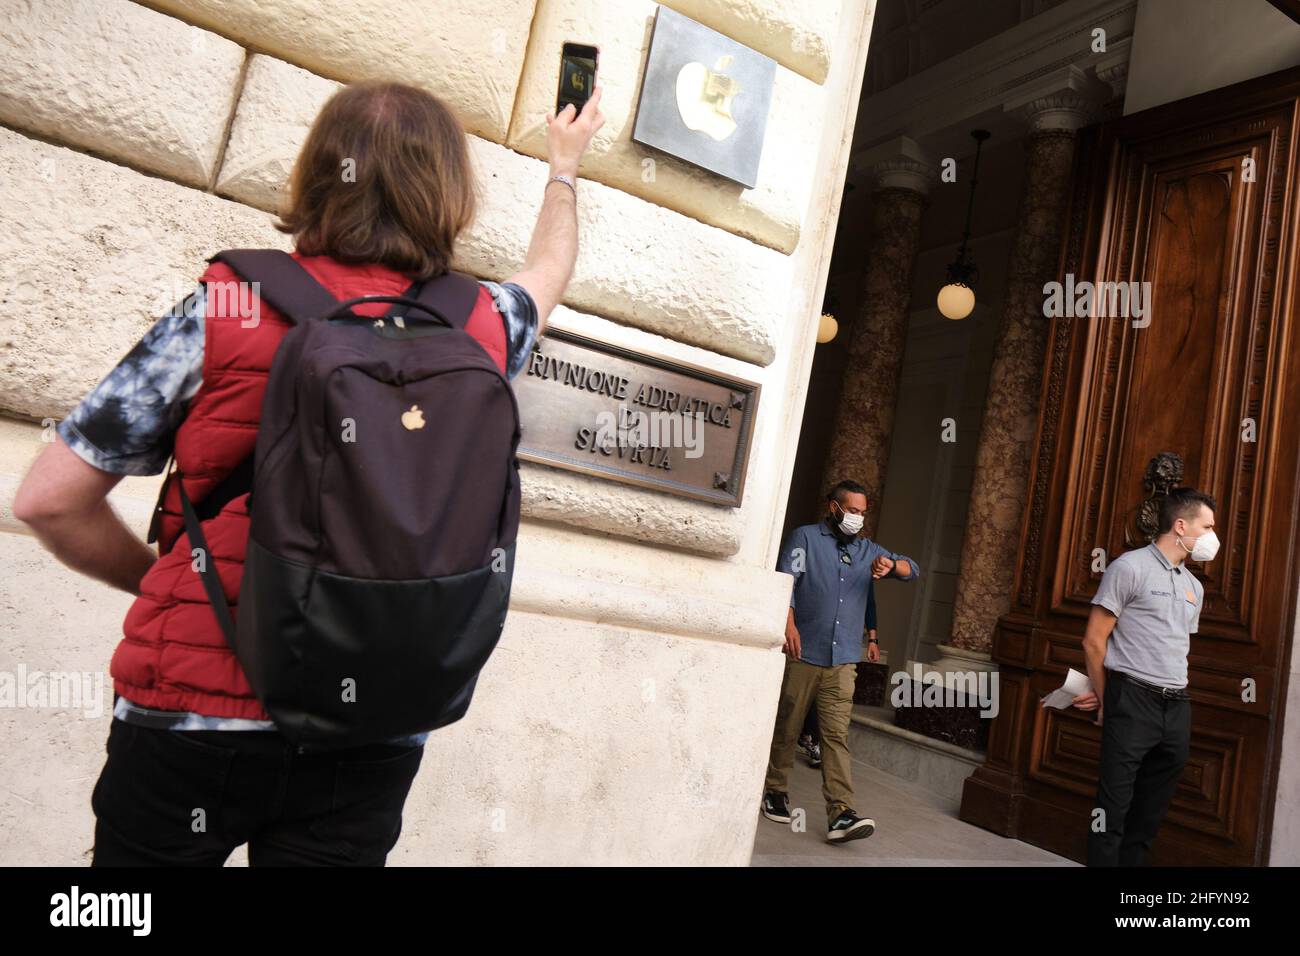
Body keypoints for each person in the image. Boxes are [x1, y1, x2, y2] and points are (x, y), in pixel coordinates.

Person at [13, 80, 604, 866]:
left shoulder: (226, 307)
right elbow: (552, 265)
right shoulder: (485, 326)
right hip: (373, 727)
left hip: (190, 716)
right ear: (451, 195)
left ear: (318, 174)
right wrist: (565, 166)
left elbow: (50, 500)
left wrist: (169, 574)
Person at [761, 479, 919, 843]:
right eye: (853, 511)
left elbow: (914, 570)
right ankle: (775, 789)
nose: (858, 519)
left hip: (844, 659)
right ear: (834, 507)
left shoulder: (868, 551)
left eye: (863, 513)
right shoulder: (805, 539)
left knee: (835, 736)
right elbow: (786, 581)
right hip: (804, 651)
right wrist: (789, 627)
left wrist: (891, 566)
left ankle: (841, 812)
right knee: (788, 724)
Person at [1073, 487, 1215, 866]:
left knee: (1149, 815)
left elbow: (1172, 645)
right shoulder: (1129, 567)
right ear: (1181, 525)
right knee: (1112, 809)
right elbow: (1093, 641)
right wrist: (1106, 698)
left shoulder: (1194, 587)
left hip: (1177, 706)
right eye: (1208, 527)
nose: (1213, 537)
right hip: (1132, 698)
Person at [797, 582, 876, 768]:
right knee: (803, 694)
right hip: (811, 639)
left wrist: (873, 639)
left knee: (829, 697)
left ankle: (812, 739)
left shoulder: (863, 566)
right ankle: (808, 737)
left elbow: (870, 603)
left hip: (842, 647)